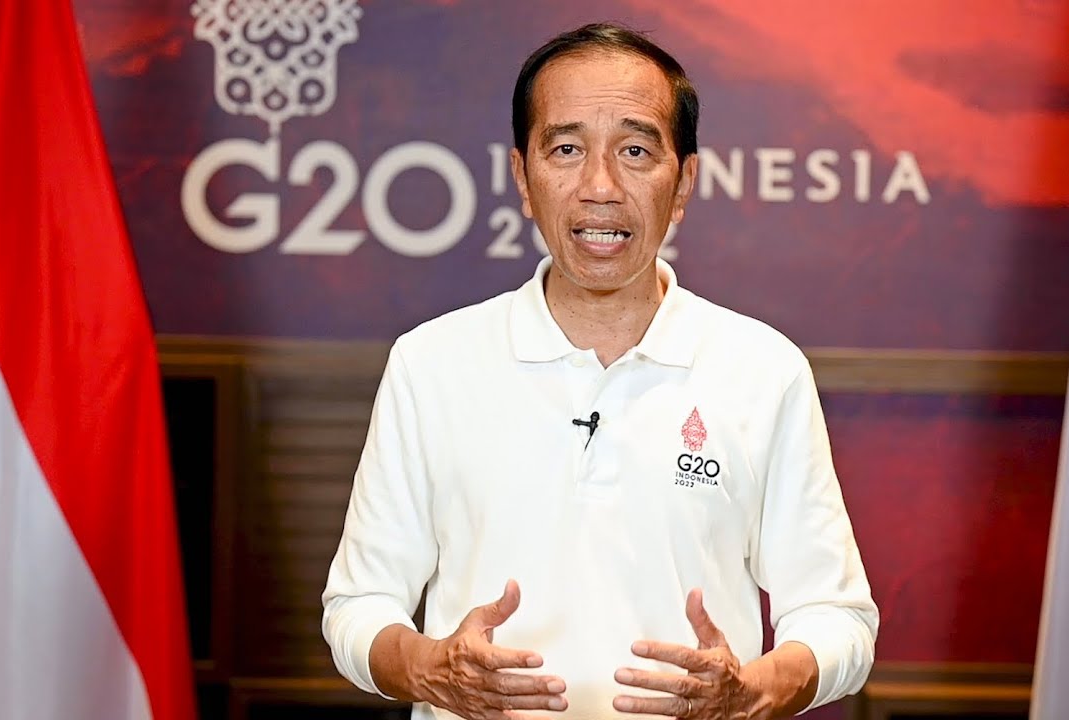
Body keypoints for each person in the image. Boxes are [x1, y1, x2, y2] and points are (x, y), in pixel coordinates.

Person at [322, 22, 878, 720]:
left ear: (683, 183)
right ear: (523, 178)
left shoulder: (764, 371)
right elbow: (357, 606)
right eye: (566, 149)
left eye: (636, 151)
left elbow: (838, 619)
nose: (600, 186)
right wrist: (432, 669)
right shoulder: (430, 363)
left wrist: (752, 692)